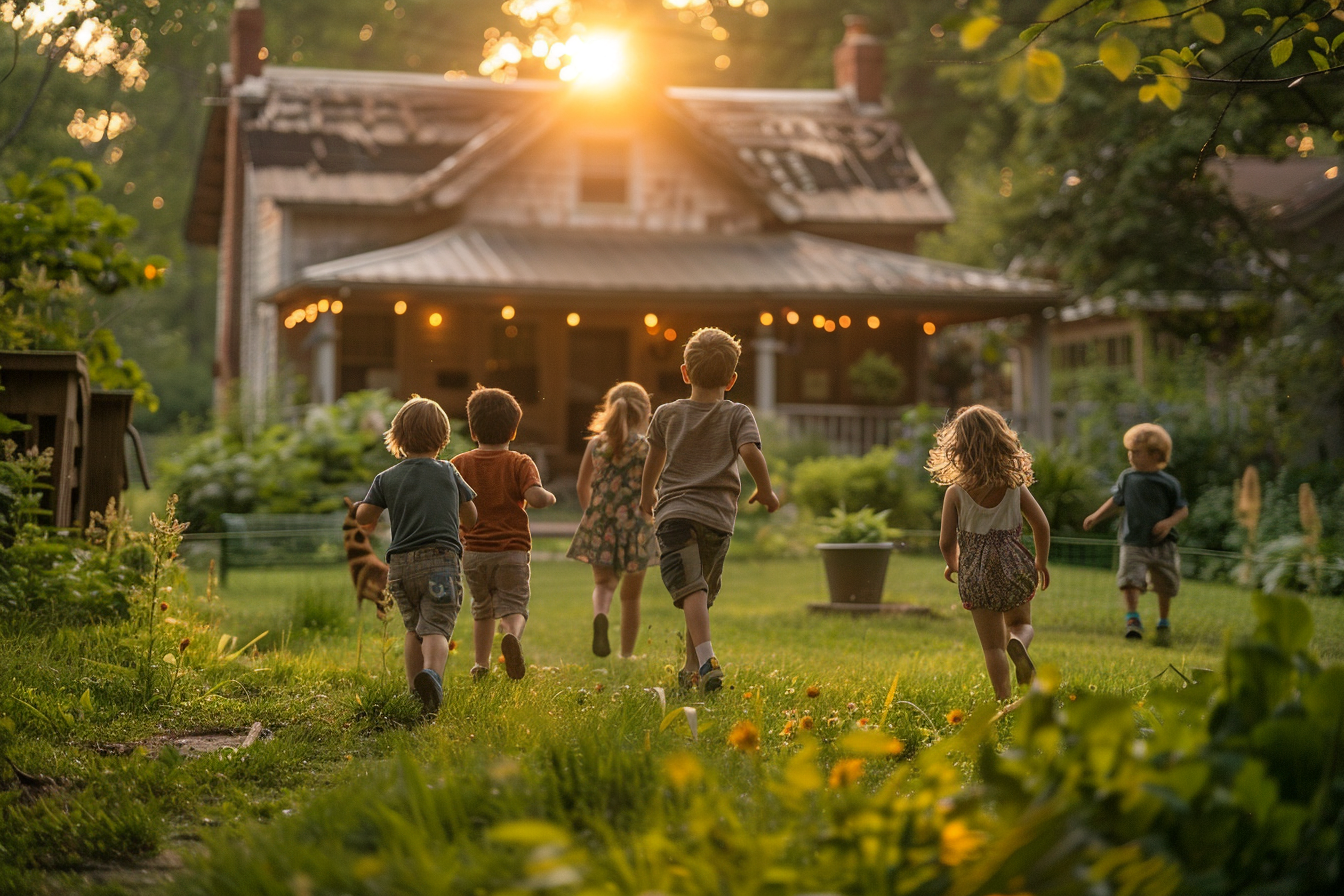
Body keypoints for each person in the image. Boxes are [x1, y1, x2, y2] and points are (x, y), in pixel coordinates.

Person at [639, 327, 779, 694]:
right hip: (717, 520)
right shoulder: (738, 414)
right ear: (732, 379)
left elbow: (654, 458)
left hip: (675, 516)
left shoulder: (667, 414)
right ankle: (693, 668)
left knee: (692, 591)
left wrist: (646, 495)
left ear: (685, 373)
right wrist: (765, 490)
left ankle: (705, 658)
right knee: (696, 590)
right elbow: (750, 452)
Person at [356, 395, 477, 717]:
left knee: (413, 628)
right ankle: (433, 678)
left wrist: (360, 506)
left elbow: (364, 516)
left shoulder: (386, 478)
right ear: (442, 438)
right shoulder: (449, 472)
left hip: (400, 568)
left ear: (398, 436)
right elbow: (472, 517)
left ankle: (414, 692)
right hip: (440, 563)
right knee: (436, 627)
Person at [927, 405, 1050, 701]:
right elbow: (1041, 525)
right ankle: (1019, 642)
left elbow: (945, 541)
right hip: (1013, 565)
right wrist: (1041, 562)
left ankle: (1002, 698)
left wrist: (954, 564)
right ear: (1003, 441)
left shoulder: (955, 492)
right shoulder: (1014, 487)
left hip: (975, 572)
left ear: (958, 448)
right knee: (1021, 624)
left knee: (992, 646)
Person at [451, 386, 556, 681]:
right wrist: (549, 498)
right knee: (514, 604)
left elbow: (452, 505)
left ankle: (481, 665)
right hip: (511, 551)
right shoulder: (520, 462)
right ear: (513, 430)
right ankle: (511, 635)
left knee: (482, 609)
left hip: (474, 553)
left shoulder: (459, 464)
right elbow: (535, 498)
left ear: (473, 430)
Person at [567, 381, 659, 658]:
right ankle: (627, 654)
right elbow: (654, 488)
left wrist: (592, 516)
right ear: (645, 413)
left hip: (602, 526)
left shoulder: (597, 444)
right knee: (631, 598)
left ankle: (600, 614)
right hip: (637, 528)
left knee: (603, 585)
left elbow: (582, 486)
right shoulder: (647, 448)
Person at [1083, 422, 1188, 645]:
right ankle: (1132, 619)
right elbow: (1116, 501)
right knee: (1129, 580)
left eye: (1136, 452)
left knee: (1165, 584)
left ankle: (1163, 622)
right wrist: (1096, 516)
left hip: (1162, 544)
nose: (1130, 456)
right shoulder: (1128, 478)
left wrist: (1168, 523)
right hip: (1133, 541)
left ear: (1156, 454)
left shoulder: (1169, 483)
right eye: (1129, 451)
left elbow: (1182, 509)